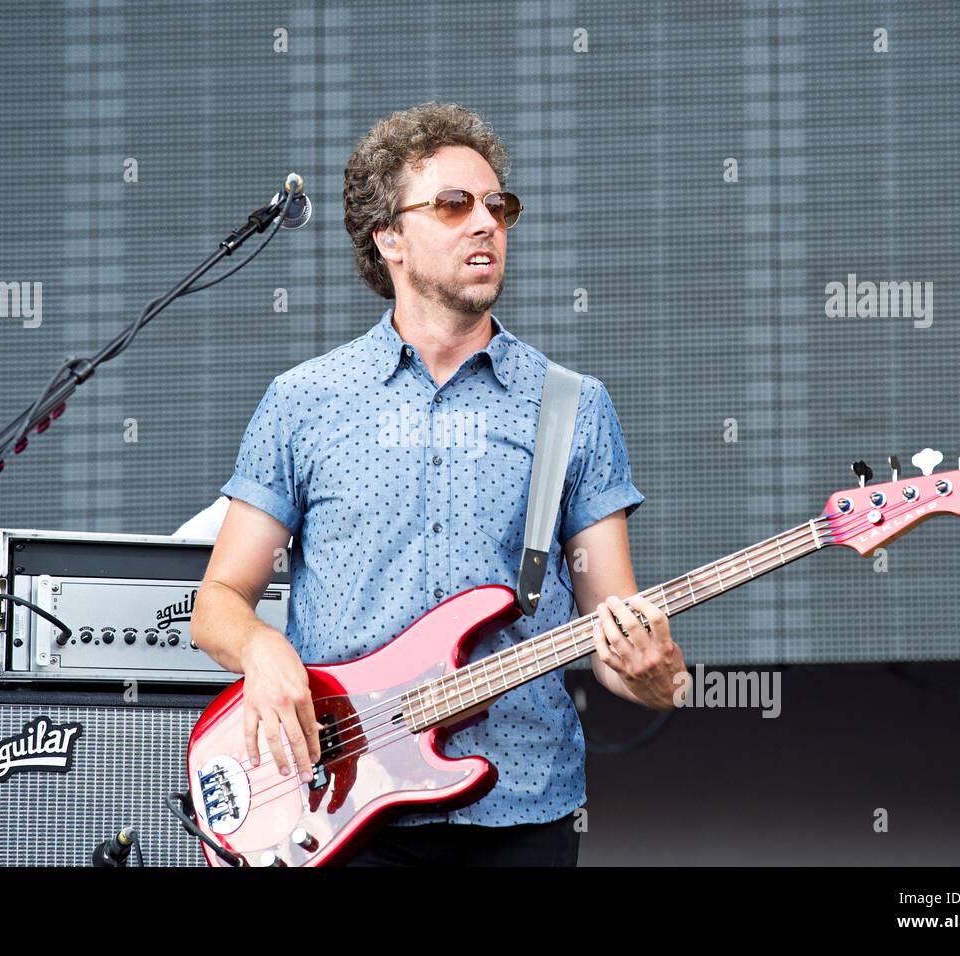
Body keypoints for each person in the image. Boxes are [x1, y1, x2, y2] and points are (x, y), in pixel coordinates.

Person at [190, 101, 687, 866]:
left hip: (520, 808)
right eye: (454, 205)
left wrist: (656, 675)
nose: (485, 222)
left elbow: (612, 633)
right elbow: (217, 605)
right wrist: (261, 651)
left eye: (498, 205)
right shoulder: (304, 400)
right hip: (333, 805)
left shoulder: (572, 407)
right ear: (389, 237)